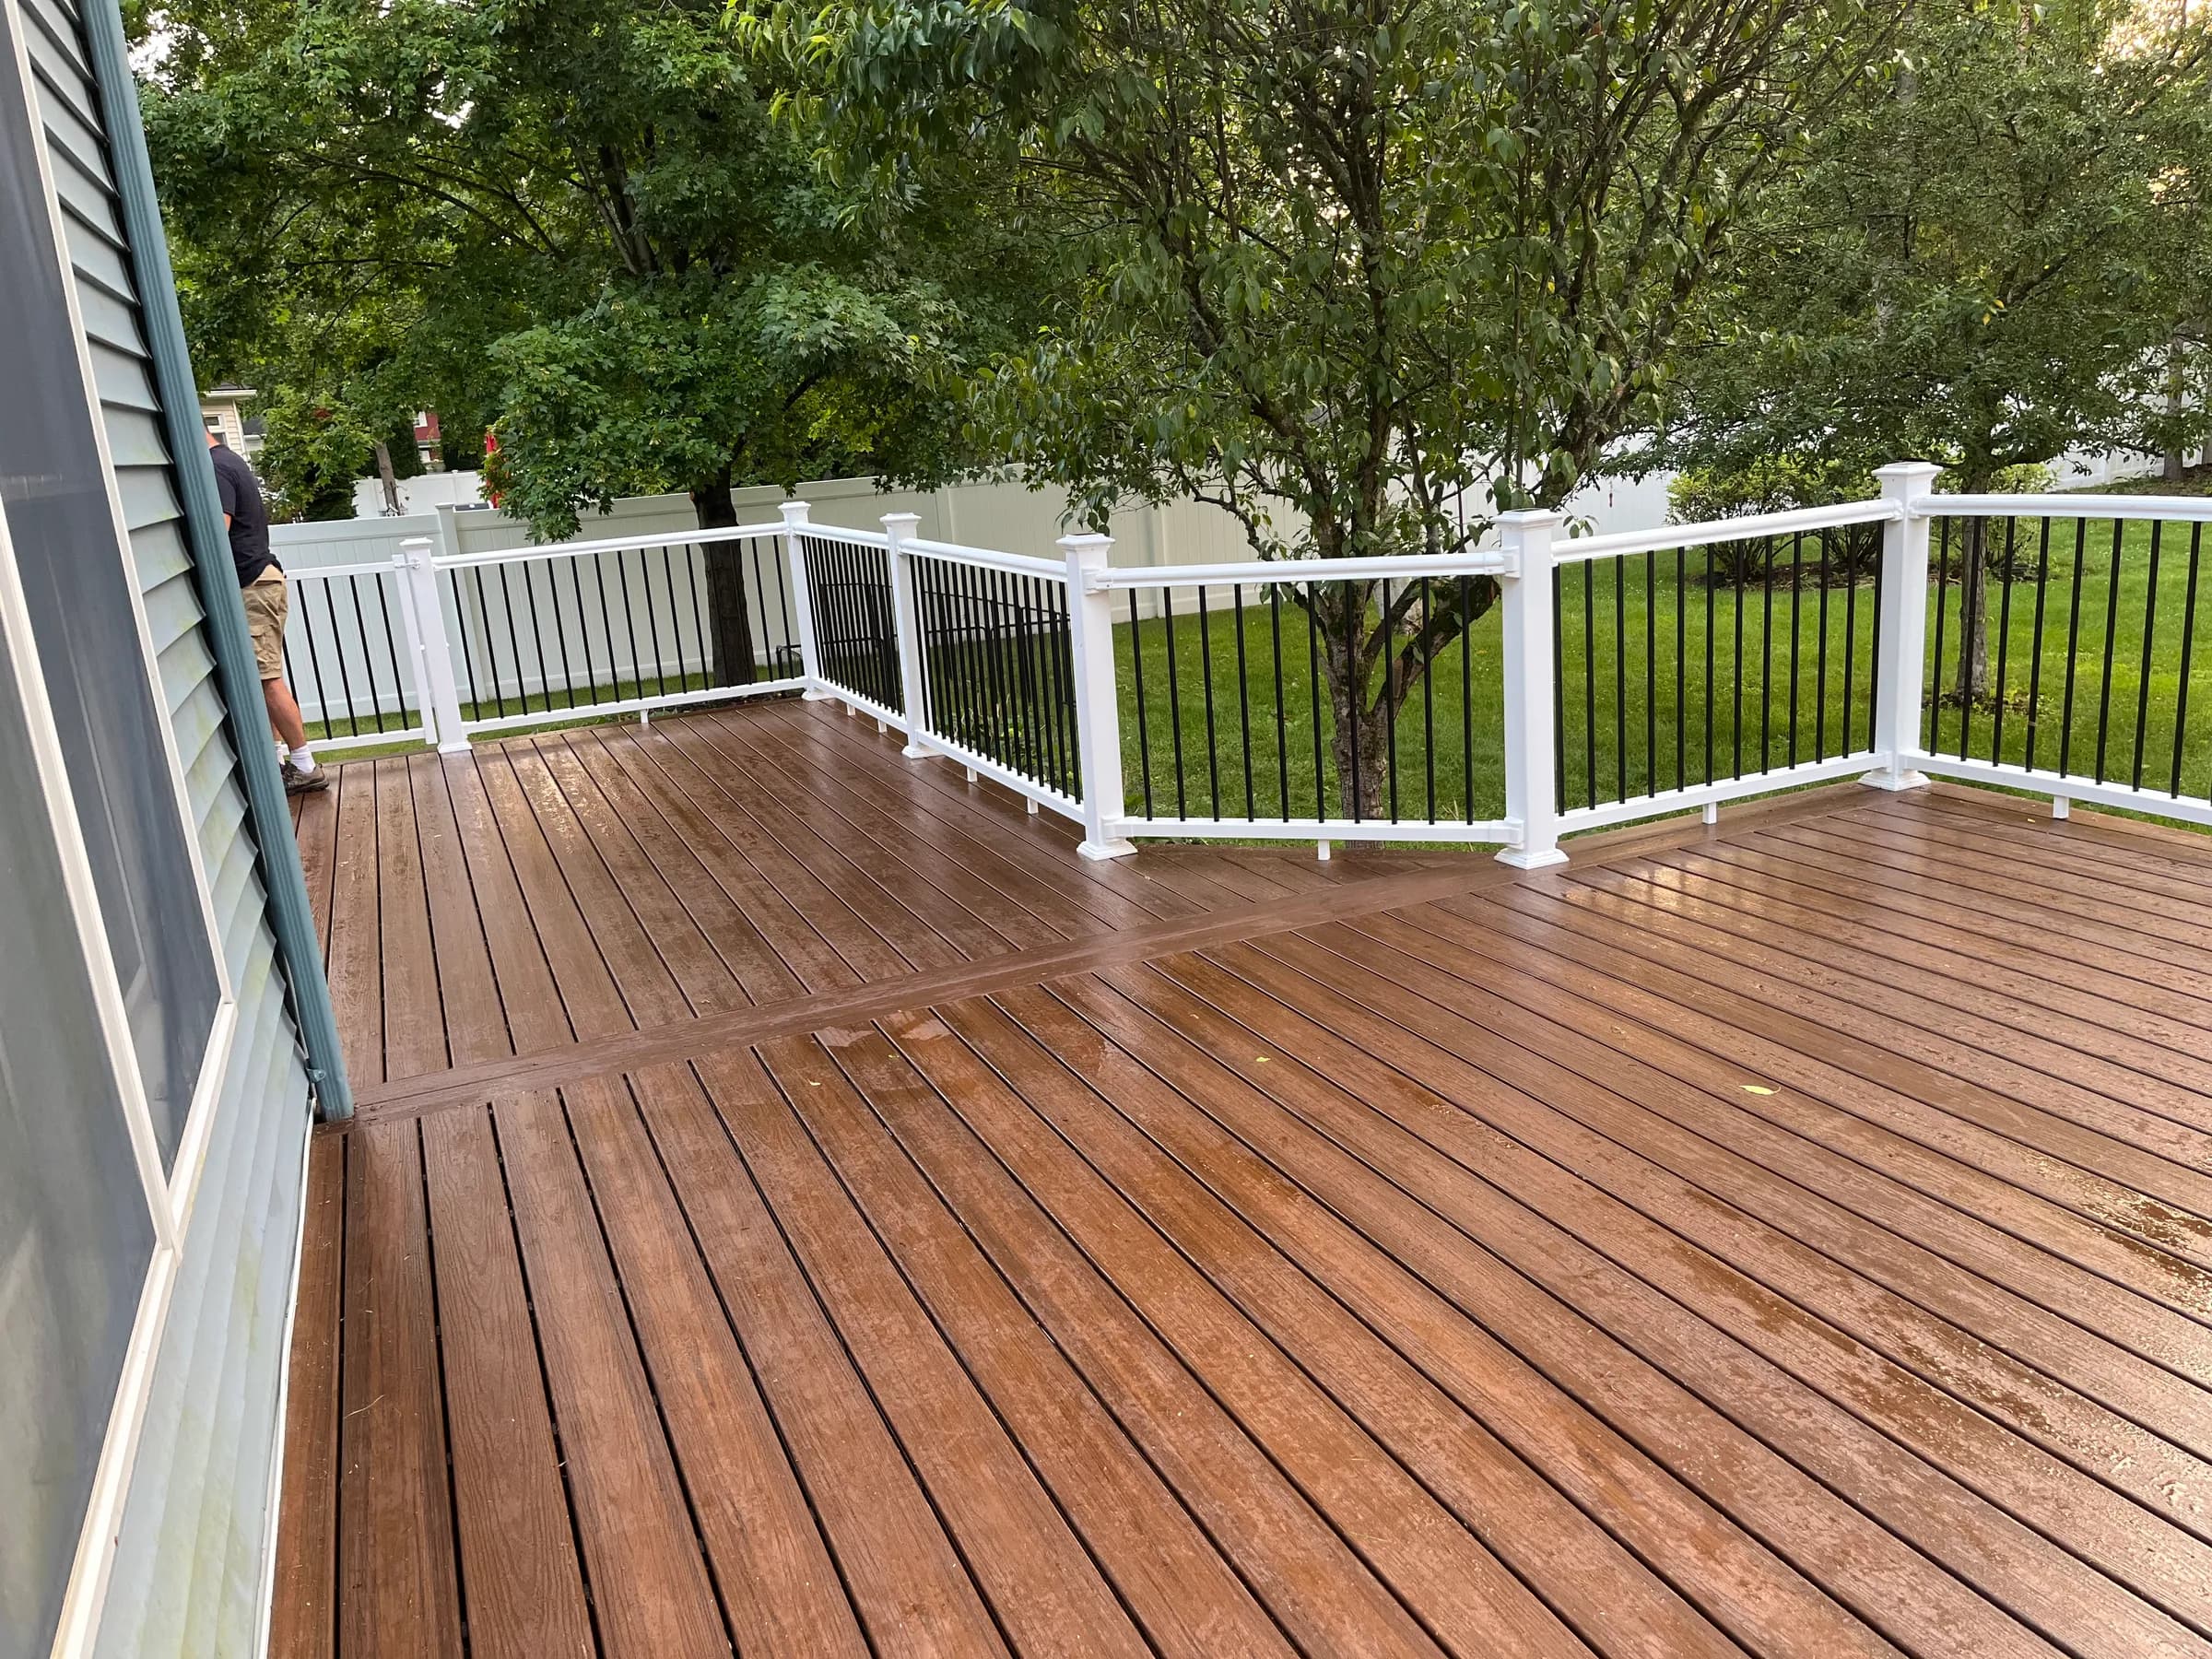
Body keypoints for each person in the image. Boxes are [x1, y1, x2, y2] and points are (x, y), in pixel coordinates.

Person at [207, 429, 325, 793]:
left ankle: (305, 765)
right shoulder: (229, 461)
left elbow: (216, 529)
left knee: (267, 678)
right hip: (258, 581)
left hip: (253, 584)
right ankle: (277, 764)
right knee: (263, 678)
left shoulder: (216, 468)